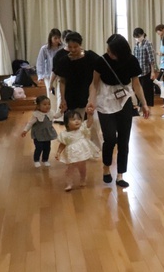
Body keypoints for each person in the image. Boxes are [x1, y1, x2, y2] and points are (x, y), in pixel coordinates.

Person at [88, 34, 150, 189]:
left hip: (124, 102)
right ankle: (106, 167)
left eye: (112, 51)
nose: (109, 53)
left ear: (121, 51)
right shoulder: (101, 61)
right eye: (108, 50)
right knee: (109, 138)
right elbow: (94, 84)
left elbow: (136, 84)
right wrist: (91, 102)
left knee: (124, 139)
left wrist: (144, 104)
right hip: (105, 101)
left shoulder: (131, 61)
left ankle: (120, 174)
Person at [55, 31, 103, 149]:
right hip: (71, 95)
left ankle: (94, 148)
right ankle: (75, 148)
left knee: (92, 123)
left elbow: (101, 70)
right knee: (73, 124)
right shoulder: (64, 61)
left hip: (88, 93)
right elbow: (62, 81)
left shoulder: (90, 56)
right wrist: (63, 99)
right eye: (70, 47)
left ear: (80, 44)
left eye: (75, 46)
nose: (72, 49)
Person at [55, 109, 101, 192]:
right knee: (70, 169)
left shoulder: (82, 129)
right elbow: (63, 144)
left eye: (79, 119)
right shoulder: (65, 134)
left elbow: (89, 123)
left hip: (81, 153)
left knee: (82, 168)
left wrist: (90, 114)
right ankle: (69, 183)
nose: (77, 121)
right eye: (73, 119)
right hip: (71, 154)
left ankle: (83, 179)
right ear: (67, 123)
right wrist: (58, 153)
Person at [20, 95, 58, 168]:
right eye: (44, 104)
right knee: (39, 147)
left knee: (47, 148)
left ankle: (45, 159)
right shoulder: (36, 114)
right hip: (38, 134)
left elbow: (56, 116)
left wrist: (61, 111)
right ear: (38, 106)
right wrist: (25, 130)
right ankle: (36, 160)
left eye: (49, 104)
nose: (47, 106)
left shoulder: (51, 112)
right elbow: (30, 123)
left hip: (47, 134)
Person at [36, 28, 64, 119]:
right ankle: (52, 114)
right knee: (51, 95)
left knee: (60, 94)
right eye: (55, 38)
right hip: (48, 75)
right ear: (50, 38)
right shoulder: (44, 49)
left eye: (59, 38)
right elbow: (40, 62)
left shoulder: (62, 48)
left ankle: (60, 115)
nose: (57, 40)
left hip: (60, 75)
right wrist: (40, 75)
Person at [132, 27, 156, 108]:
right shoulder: (136, 45)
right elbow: (134, 58)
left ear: (143, 35)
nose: (137, 38)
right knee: (138, 90)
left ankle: (148, 108)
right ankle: (140, 107)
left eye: (139, 36)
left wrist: (152, 72)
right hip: (138, 71)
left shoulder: (148, 43)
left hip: (146, 71)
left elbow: (151, 58)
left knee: (147, 90)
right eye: (136, 37)